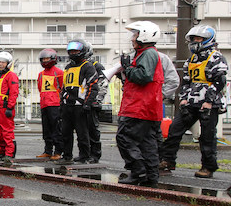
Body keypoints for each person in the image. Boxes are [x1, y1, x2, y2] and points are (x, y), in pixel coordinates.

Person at [159, 25, 228, 179]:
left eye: (198, 39)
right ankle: (167, 160)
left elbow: (220, 81)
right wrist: (183, 99)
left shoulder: (216, 57)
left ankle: (208, 167)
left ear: (207, 40)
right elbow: (185, 81)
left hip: (209, 103)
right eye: (193, 39)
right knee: (174, 130)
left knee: (207, 136)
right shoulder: (192, 59)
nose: (195, 42)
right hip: (191, 101)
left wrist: (209, 101)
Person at [115, 21, 164, 187]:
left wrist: (127, 68)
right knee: (147, 143)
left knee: (124, 137)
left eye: (135, 35)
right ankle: (150, 176)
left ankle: (138, 171)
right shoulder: (149, 53)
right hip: (148, 107)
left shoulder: (148, 54)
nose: (132, 39)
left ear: (144, 35)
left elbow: (143, 76)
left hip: (138, 107)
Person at [59, 39, 98, 165]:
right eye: (71, 50)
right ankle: (67, 155)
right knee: (65, 132)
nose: (73, 53)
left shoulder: (87, 66)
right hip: (67, 105)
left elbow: (93, 87)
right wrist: (62, 101)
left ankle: (84, 155)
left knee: (82, 133)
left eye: (76, 50)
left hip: (80, 105)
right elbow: (64, 86)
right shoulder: (68, 67)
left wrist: (87, 103)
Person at [0, 51, 19, 164]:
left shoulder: (11, 75)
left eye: (3, 62)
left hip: (5, 107)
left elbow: (14, 92)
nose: (0, 64)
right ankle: (1, 151)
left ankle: (9, 153)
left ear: (8, 63)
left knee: (7, 131)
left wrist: (10, 107)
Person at [36, 48, 64, 160]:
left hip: (55, 104)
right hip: (44, 104)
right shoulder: (41, 74)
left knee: (56, 128)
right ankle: (47, 150)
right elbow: (39, 88)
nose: (45, 61)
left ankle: (58, 151)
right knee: (46, 129)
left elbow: (62, 88)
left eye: (47, 58)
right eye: (43, 59)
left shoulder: (59, 72)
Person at [86, 42, 107, 163]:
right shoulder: (77, 66)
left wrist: (97, 100)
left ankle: (95, 155)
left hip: (93, 102)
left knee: (93, 129)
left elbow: (103, 84)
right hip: (81, 103)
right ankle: (85, 153)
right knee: (82, 130)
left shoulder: (97, 66)